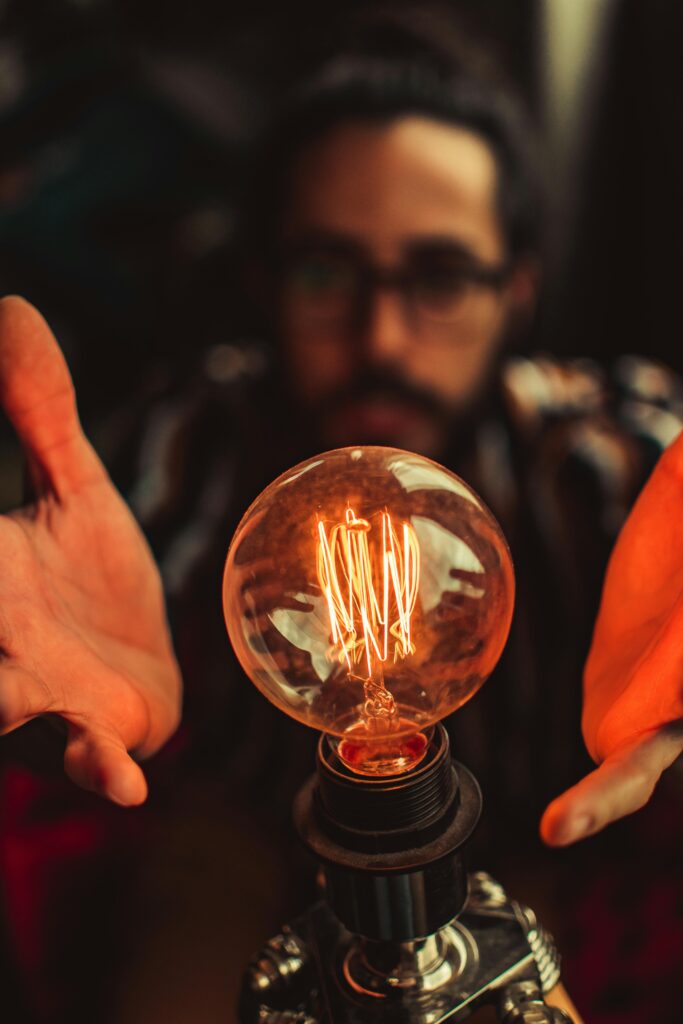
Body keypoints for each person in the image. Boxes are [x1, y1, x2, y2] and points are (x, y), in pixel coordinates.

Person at [0, 10, 681, 1021]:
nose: (381, 336)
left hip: (530, 835)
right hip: (235, 834)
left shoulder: (607, 462)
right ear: (262, 282)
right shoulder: (184, 452)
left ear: (517, 290)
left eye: (440, 276)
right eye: (327, 270)